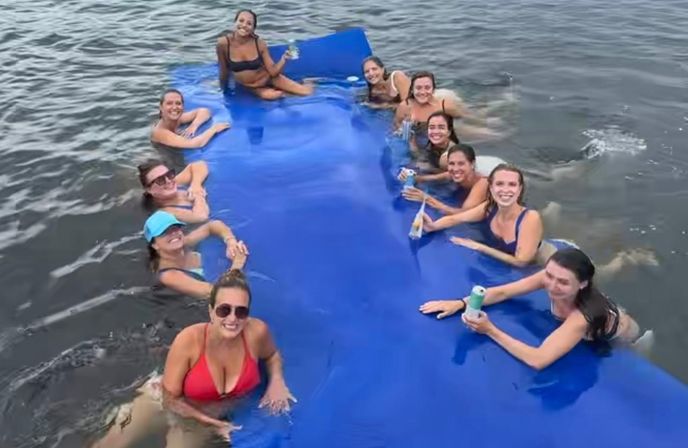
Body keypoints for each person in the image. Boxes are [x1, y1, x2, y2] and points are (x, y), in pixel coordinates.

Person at [92, 271, 294, 447]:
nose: (232, 318)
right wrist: (212, 424)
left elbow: (272, 355)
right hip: (162, 401)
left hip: (198, 422)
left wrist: (276, 381)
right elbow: (170, 399)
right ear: (211, 311)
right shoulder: (189, 340)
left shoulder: (257, 332)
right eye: (224, 310)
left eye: (241, 311)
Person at [419, 248, 649, 370]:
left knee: (632, 352)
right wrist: (460, 303)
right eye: (549, 276)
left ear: (582, 283)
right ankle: (626, 259)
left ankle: (632, 259)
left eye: (563, 282)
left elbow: (538, 359)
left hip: (622, 333)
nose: (552, 285)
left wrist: (490, 329)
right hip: (601, 310)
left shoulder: (580, 319)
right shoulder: (551, 276)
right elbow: (503, 292)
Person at [422, 164, 550, 267]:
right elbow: (457, 218)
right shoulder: (489, 208)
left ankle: (552, 209)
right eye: (499, 184)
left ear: (520, 189)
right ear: (491, 188)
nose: (505, 190)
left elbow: (521, 262)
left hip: (541, 260)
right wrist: (433, 226)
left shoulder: (530, 218)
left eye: (512, 184)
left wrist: (479, 247)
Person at [144, 211, 249, 298]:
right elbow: (217, 293)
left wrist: (231, 242)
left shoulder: (183, 243)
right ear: (154, 245)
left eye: (175, 228)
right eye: (164, 232)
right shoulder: (168, 276)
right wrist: (238, 263)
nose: (173, 234)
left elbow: (212, 225)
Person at [216, 9, 313, 100]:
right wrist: (223, 90)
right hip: (252, 87)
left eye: (249, 23)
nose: (244, 25)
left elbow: (273, 72)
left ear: (253, 29)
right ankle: (285, 90)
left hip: (269, 78)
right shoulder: (223, 44)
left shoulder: (259, 43)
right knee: (274, 96)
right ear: (235, 22)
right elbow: (224, 70)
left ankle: (308, 81)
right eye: (241, 21)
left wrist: (284, 58)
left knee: (307, 93)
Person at [403, 144, 491, 215]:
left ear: (472, 164)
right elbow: (426, 178)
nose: (455, 169)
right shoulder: (454, 174)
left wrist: (427, 199)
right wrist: (409, 177)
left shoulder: (482, 183)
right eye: (452, 163)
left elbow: (463, 213)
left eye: (461, 164)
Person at [393, 71, 469, 153]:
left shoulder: (444, 105)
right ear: (412, 89)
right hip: (419, 138)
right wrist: (406, 128)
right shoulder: (405, 107)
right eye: (418, 88)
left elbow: (462, 117)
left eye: (427, 88)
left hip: (443, 135)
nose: (422, 92)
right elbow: (396, 125)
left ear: (433, 89)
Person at [151, 89, 230, 149]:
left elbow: (205, 111)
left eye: (178, 103)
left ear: (183, 107)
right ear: (161, 107)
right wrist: (214, 129)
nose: (174, 107)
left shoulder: (175, 119)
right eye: (169, 103)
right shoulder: (160, 133)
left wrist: (193, 126)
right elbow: (195, 144)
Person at [138, 159, 210, 223]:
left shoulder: (174, 182)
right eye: (160, 180)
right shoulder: (166, 211)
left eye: (169, 174)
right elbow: (201, 217)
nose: (168, 181)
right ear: (149, 189)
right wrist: (198, 196)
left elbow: (199, 164)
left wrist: (196, 184)